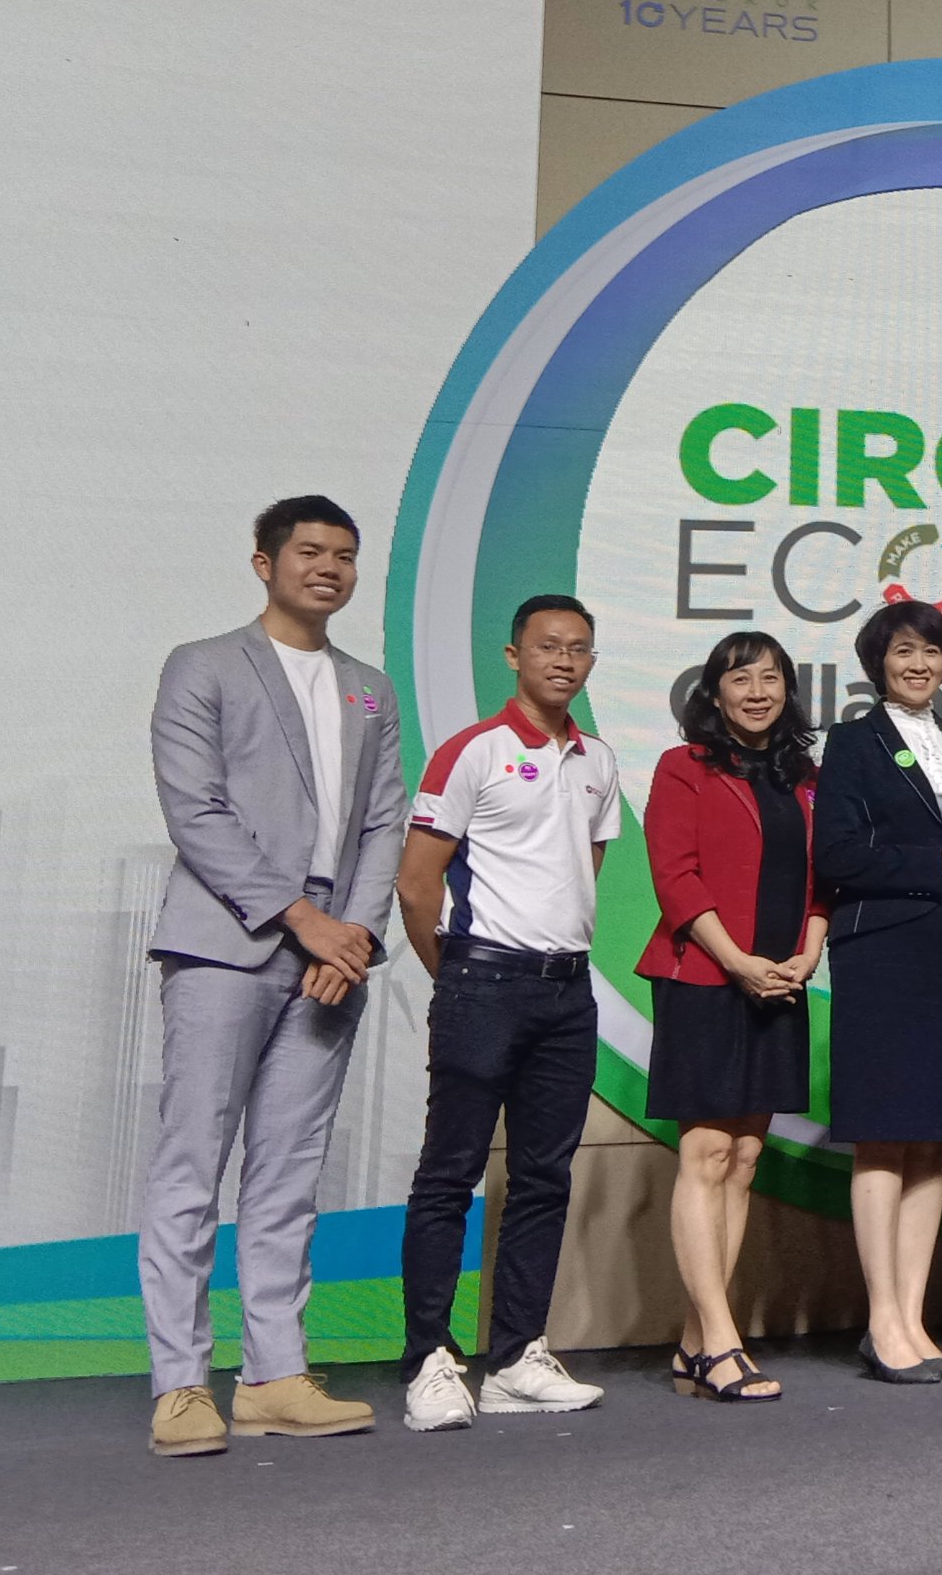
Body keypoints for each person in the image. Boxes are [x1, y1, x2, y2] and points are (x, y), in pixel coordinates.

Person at [138, 495, 408, 1457]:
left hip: (334, 951)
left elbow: (385, 821)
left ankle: (273, 1376)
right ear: (265, 562)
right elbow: (194, 810)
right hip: (228, 939)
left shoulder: (371, 689)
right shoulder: (203, 664)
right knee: (192, 1166)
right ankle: (180, 1385)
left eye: (346, 555)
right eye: (310, 551)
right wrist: (306, 921)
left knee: (290, 1171)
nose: (329, 568)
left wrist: (355, 937)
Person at [395, 594, 621, 1431]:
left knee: (543, 1178)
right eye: (548, 646)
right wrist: (456, 976)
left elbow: (583, 870)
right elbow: (416, 883)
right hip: (482, 983)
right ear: (513, 655)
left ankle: (517, 1357)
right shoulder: (472, 752)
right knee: (448, 1175)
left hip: (568, 994)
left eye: (579, 648)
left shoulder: (598, 760)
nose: (564, 660)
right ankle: (428, 1358)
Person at [632, 629, 830, 1404]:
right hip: (707, 978)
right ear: (712, 691)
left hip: (782, 980)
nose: (757, 692)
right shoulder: (683, 767)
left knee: (745, 1158)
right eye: (740, 678)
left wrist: (807, 955)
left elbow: (822, 883)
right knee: (707, 1151)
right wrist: (739, 961)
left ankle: (695, 1342)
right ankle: (721, 1339)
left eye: (771, 677)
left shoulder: (804, 776)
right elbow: (675, 878)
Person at [814, 601, 942, 1385]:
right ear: (878, 663)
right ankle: (881, 1319)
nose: (919, 665)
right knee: (884, 1134)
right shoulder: (852, 742)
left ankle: (912, 1320)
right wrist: (934, 864)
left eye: (931, 652)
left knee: (931, 1139)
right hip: (881, 952)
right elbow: (837, 855)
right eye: (904, 652)